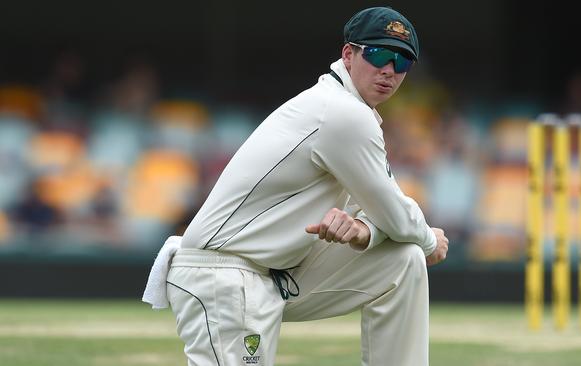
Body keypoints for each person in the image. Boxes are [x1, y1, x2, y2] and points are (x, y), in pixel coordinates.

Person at [157, 7, 449, 366]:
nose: (389, 69)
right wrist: (430, 240)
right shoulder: (341, 113)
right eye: (377, 54)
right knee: (413, 245)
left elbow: (378, 210)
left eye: (401, 62)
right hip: (222, 272)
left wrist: (363, 231)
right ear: (348, 54)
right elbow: (396, 213)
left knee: (402, 260)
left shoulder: (352, 112)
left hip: (274, 273)